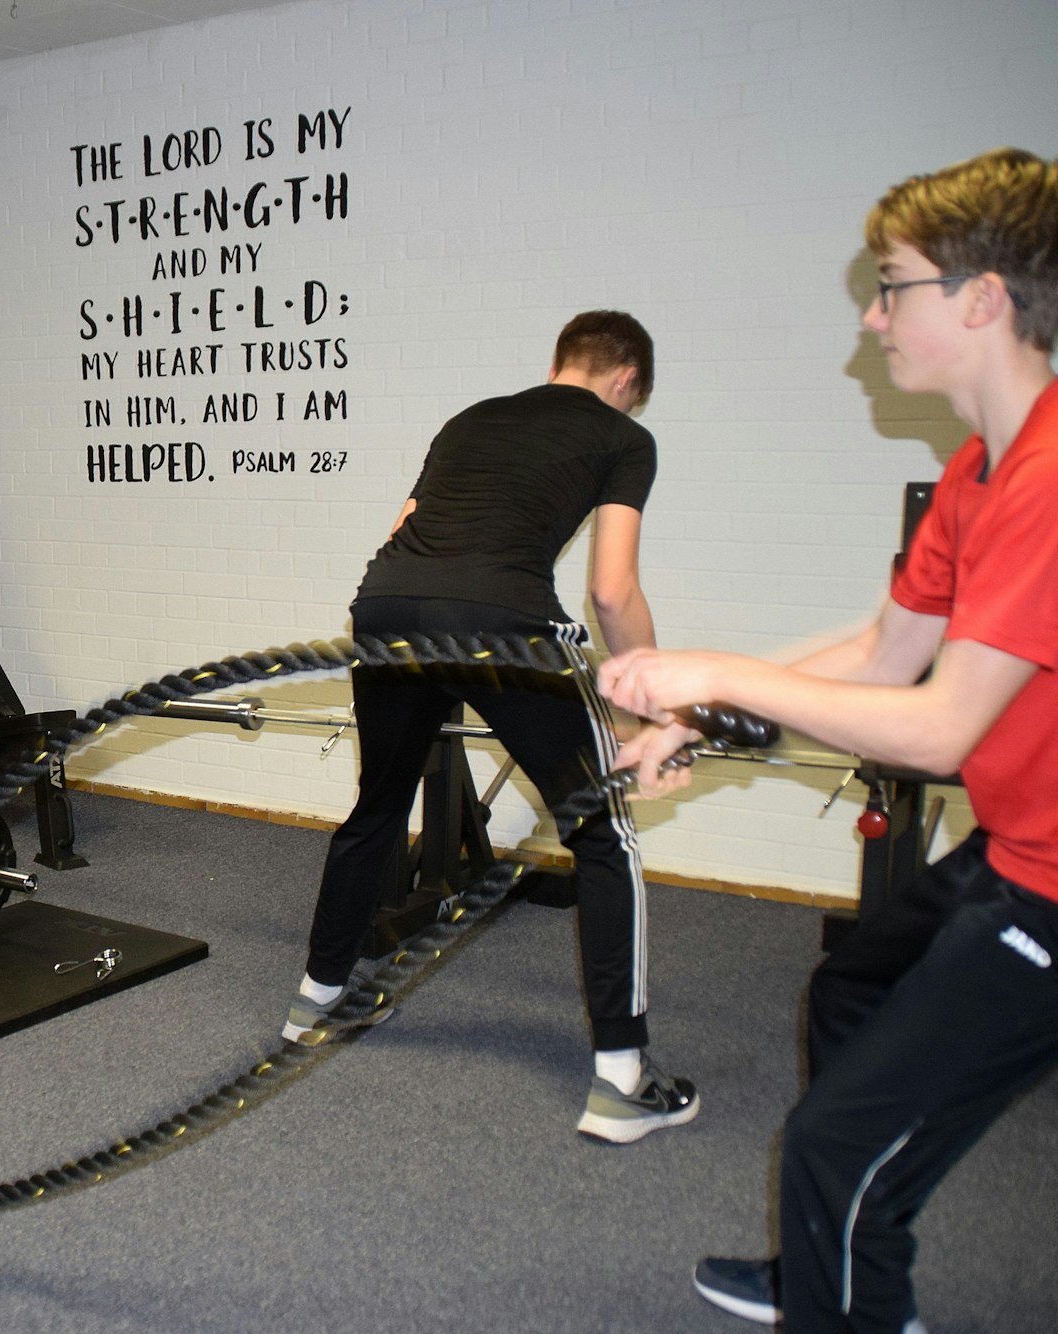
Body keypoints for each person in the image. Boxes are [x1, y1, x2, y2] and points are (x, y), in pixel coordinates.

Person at [601, 148, 1058, 1334]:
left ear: (981, 297)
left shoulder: (1048, 479)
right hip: (1021, 845)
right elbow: (882, 651)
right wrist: (697, 716)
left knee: (829, 1140)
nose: (872, 315)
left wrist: (715, 672)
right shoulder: (978, 470)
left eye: (891, 285)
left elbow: (939, 726)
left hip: (1054, 886)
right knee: (854, 984)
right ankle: (840, 1258)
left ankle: (844, 1280)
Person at [284, 310, 695, 1143]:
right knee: (602, 834)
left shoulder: (470, 419)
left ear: (558, 363)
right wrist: (655, 707)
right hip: (501, 624)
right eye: (632, 395)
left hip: (387, 607)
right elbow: (610, 591)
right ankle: (622, 1079)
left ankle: (314, 1002)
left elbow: (402, 530)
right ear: (625, 380)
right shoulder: (622, 437)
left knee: (379, 803)